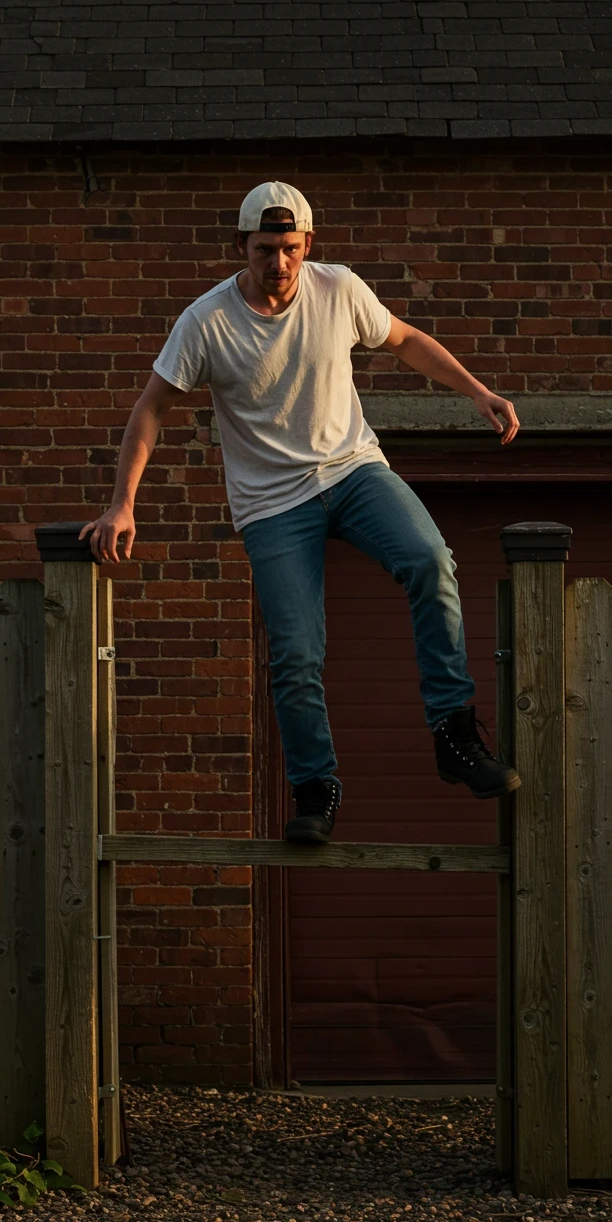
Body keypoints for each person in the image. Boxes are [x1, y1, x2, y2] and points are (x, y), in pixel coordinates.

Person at [79, 180, 522, 845]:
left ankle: (454, 736)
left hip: (353, 471)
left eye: (289, 249)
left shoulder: (338, 289)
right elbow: (153, 407)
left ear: (307, 245)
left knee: (431, 560)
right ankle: (316, 790)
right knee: (296, 652)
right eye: (264, 250)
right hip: (272, 504)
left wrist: (477, 391)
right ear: (241, 247)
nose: (278, 265)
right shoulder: (207, 321)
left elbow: (402, 338)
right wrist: (122, 504)